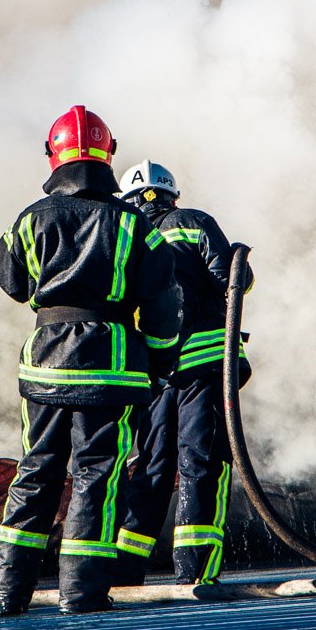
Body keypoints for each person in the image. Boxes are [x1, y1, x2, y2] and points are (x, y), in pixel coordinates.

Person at [0, 106, 182, 615]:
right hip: (113, 367)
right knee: (99, 474)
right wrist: (160, 361)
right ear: (107, 155)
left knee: (37, 469)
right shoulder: (137, 225)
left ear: (54, 156)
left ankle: (10, 593)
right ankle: (82, 593)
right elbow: (163, 306)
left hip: (45, 365)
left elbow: (7, 277)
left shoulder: (31, 218)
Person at [112, 159, 253, 587]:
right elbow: (233, 278)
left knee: (151, 468)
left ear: (131, 199)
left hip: (155, 374)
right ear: (171, 194)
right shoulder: (192, 221)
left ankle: (125, 572)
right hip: (206, 367)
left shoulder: (126, 235)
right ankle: (196, 574)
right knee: (201, 462)